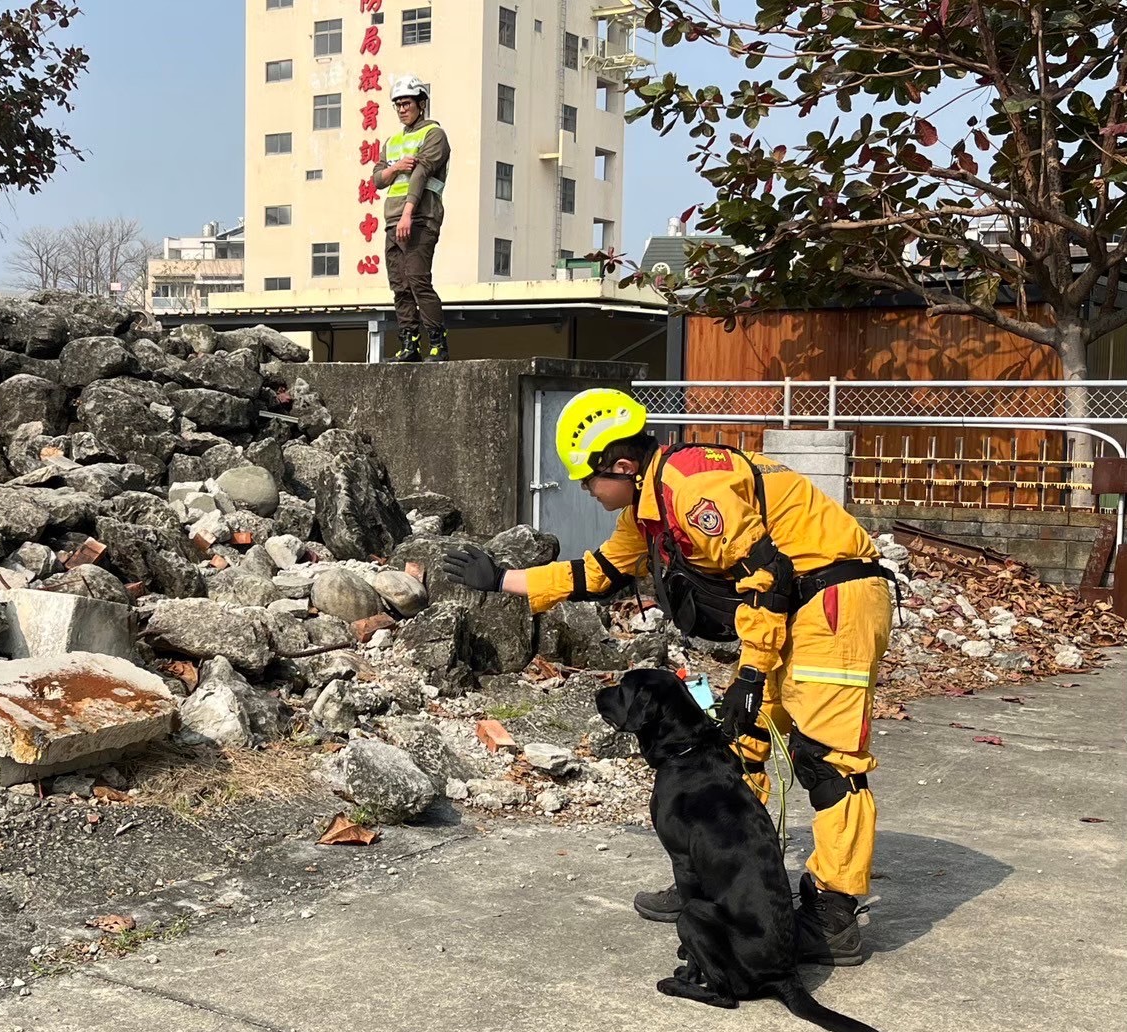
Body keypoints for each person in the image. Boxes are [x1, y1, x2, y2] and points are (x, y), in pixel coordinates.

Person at [444, 388, 895, 966]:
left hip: (834, 603)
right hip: (791, 607)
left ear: (621, 466)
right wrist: (503, 578)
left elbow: (767, 576)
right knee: (742, 746)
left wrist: (750, 674)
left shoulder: (692, 489)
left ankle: (833, 914)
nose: (585, 490)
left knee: (827, 762)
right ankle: (717, 878)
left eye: (588, 480)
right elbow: (601, 570)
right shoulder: (649, 505)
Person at [372, 75, 450, 363]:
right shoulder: (392, 142)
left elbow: (422, 172)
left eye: (407, 103)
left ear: (421, 104)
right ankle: (409, 345)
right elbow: (377, 179)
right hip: (393, 220)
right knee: (400, 286)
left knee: (418, 281)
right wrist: (396, 169)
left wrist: (408, 213)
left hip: (419, 218)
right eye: (398, 105)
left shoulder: (434, 134)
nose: (402, 109)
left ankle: (438, 344)